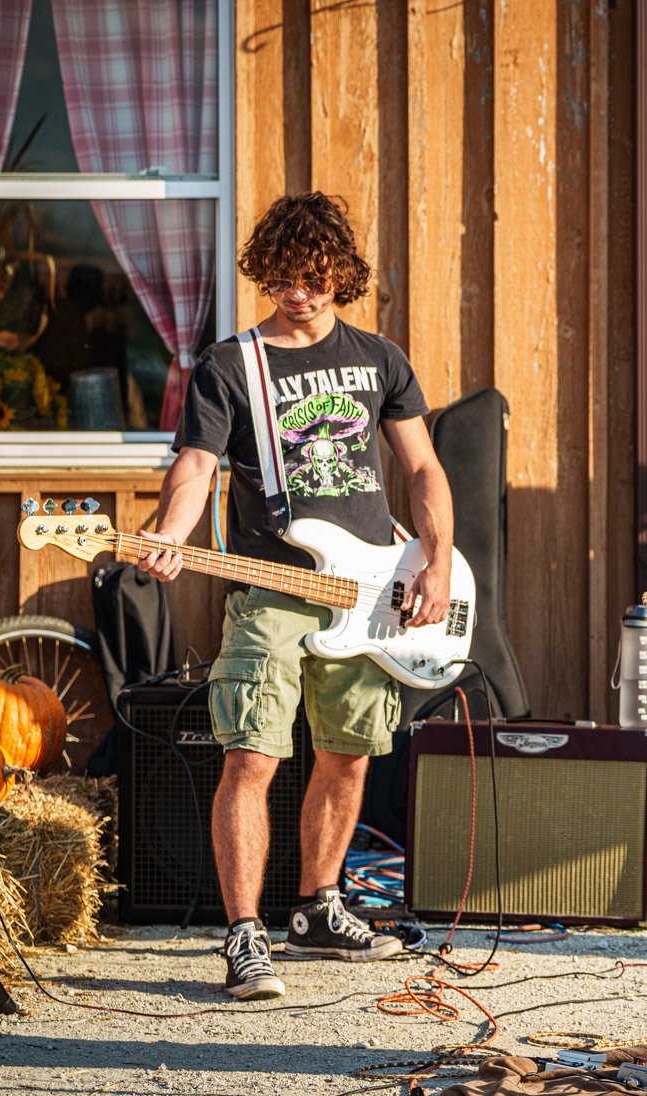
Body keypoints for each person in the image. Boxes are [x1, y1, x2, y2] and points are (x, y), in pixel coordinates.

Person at [137, 192, 455, 1000]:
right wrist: (172, 530)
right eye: (281, 279)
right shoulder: (226, 365)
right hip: (270, 587)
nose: (298, 295)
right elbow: (197, 468)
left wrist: (439, 562)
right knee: (251, 755)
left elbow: (420, 468)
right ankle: (244, 935)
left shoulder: (380, 356)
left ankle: (319, 907)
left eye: (313, 279)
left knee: (347, 754)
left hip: (371, 586)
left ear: (340, 275)